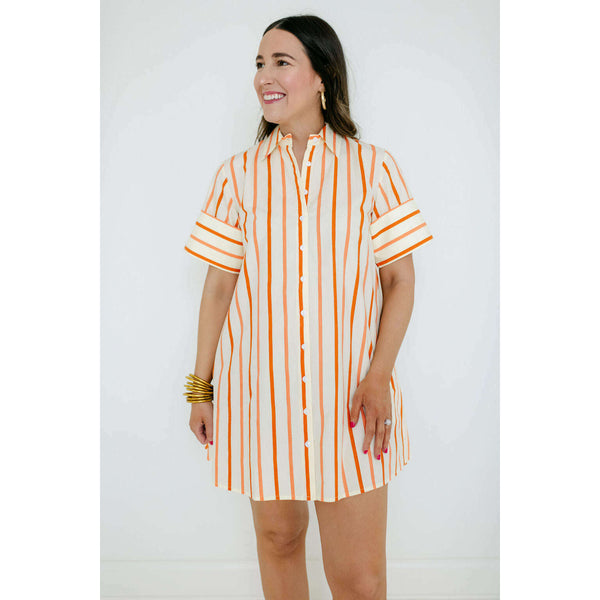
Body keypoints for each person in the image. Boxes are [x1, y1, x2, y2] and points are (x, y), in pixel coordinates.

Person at [184, 14, 433, 600]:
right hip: (260, 400)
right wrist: (200, 388)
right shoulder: (238, 176)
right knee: (278, 541)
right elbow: (218, 287)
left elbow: (400, 280)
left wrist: (379, 376)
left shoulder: (373, 168)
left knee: (359, 581)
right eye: (259, 63)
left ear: (322, 75)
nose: (264, 76)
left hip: (350, 399)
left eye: (281, 62)